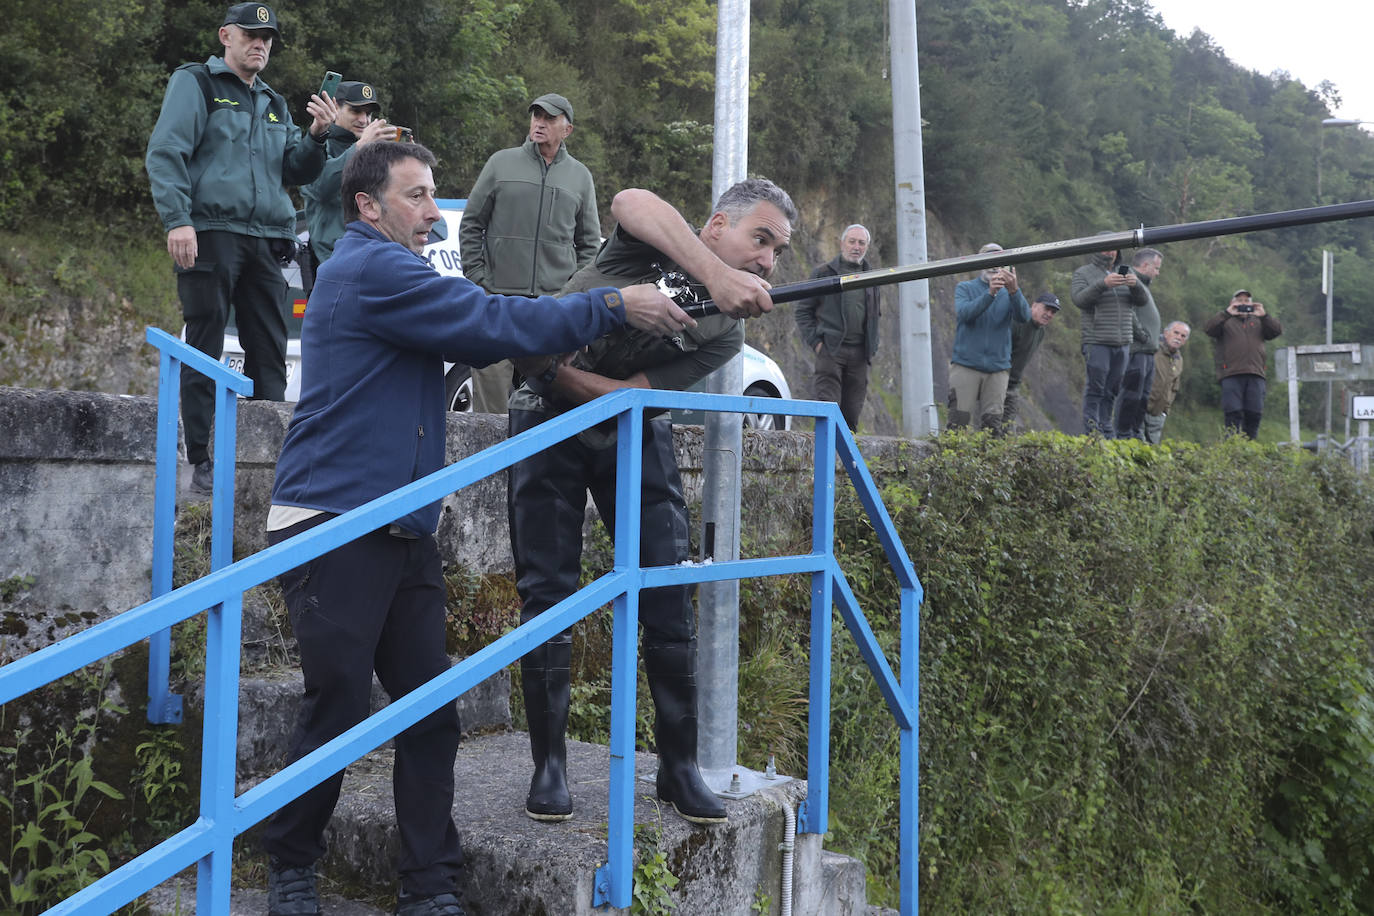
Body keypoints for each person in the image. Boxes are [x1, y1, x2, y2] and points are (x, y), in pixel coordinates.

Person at [262, 140, 692, 916]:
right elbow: (489, 318)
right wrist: (613, 303)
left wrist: (579, 331)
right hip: (333, 521)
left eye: (436, 196)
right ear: (368, 206)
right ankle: (291, 865)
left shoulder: (400, 274)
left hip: (400, 524)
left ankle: (430, 885)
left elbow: (494, 333)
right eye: (418, 197)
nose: (435, 215)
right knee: (337, 703)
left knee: (431, 709)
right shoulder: (371, 268)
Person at [506, 180, 794, 827]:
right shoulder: (652, 246)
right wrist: (715, 276)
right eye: (762, 239)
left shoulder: (724, 333)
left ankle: (678, 766)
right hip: (542, 419)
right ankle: (548, 766)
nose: (770, 261)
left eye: (779, 251)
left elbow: (631, 391)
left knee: (666, 586)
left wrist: (555, 372)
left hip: (626, 419)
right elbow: (632, 200)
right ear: (718, 225)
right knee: (547, 589)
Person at [145, 3, 337, 495]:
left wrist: (316, 137)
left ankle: (270, 463)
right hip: (210, 232)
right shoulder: (197, 83)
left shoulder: (273, 101)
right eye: (251, 34)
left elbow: (295, 170)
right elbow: (167, 152)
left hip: (268, 242)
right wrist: (178, 221)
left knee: (270, 353)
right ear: (225, 36)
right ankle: (205, 462)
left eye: (268, 38)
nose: (261, 44)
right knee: (205, 346)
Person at [459, 93, 601, 413]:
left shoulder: (580, 176)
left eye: (549, 118)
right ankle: (491, 465)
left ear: (567, 130)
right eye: (536, 116)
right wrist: (480, 278)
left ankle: (539, 463)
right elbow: (471, 225)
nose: (539, 123)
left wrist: (570, 291)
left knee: (550, 405)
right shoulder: (500, 162)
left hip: (553, 308)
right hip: (499, 303)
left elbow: (590, 244)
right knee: (490, 409)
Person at [793, 224, 881, 431]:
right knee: (827, 409)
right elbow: (803, 311)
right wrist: (816, 343)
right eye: (852, 241)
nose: (856, 247)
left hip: (861, 354)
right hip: (830, 349)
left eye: (861, 243)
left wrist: (873, 345)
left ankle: (843, 461)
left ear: (867, 246)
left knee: (852, 413)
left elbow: (875, 314)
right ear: (842, 244)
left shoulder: (873, 276)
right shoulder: (823, 273)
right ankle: (824, 458)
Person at [302, 80, 399, 264]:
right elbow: (321, 188)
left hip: (374, 256)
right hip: (332, 258)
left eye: (368, 114)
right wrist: (360, 147)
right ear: (335, 108)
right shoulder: (317, 144)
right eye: (355, 111)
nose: (363, 120)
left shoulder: (374, 151)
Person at [947, 243, 1030, 431]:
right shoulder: (965, 288)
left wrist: (1015, 291)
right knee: (957, 421)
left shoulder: (1010, 293)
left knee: (993, 425)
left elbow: (1024, 317)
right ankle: (952, 459)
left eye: (998, 262)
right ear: (979, 263)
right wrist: (990, 293)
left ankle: (987, 459)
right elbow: (965, 314)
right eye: (989, 260)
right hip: (966, 364)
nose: (994, 267)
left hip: (997, 368)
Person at [1071, 239, 1149, 436]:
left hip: (1123, 342)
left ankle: (1106, 430)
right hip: (1097, 340)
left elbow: (1142, 301)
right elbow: (1079, 300)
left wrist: (1136, 285)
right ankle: (1092, 432)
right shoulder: (1083, 273)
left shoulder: (1128, 272)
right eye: (1106, 248)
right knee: (1095, 389)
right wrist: (1103, 284)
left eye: (1114, 248)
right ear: (1096, 249)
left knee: (1112, 390)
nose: (1110, 253)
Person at [1203, 289, 1282, 439]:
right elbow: (1208, 329)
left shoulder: (1259, 321)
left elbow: (1276, 331)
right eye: (1239, 300)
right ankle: (1232, 448)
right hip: (1231, 373)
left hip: (1256, 373)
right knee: (1233, 412)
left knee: (1254, 413)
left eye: (1247, 301)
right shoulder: (1225, 321)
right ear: (1232, 303)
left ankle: (1249, 448)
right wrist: (1227, 313)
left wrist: (1264, 315)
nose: (1243, 304)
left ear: (1252, 304)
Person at [1113, 248, 1164, 440]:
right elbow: (1127, 310)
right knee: (1131, 396)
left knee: (1142, 399)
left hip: (1148, 352)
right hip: (1137, 349)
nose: (1158, 273)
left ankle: (1135, 435)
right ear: (1145, 265)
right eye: (1157, 268)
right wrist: (1141, 334)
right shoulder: (1130, 279)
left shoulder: (1143, 284)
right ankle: (1123, 436)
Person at [1000, 292, 1061, 432]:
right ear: (1034, 305)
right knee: (990, 423)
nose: (1049, 314)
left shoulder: (1041, 332)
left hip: (1013, 385)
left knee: (1006, 429)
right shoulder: (1017, 321)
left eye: (1053, 312)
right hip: (997, 380)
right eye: (1047, 309)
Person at [1144, 320, 1191, 444]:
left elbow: (1174, 387)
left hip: (1157, 415)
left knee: (1150, 452)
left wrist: (1165, 411)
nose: (1178, 337)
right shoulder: (1151, 348)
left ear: (1185, 341)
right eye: (1176, 333)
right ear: (1166, 333)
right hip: (1139, 408)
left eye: (1183, 336)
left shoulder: (1179, 360)